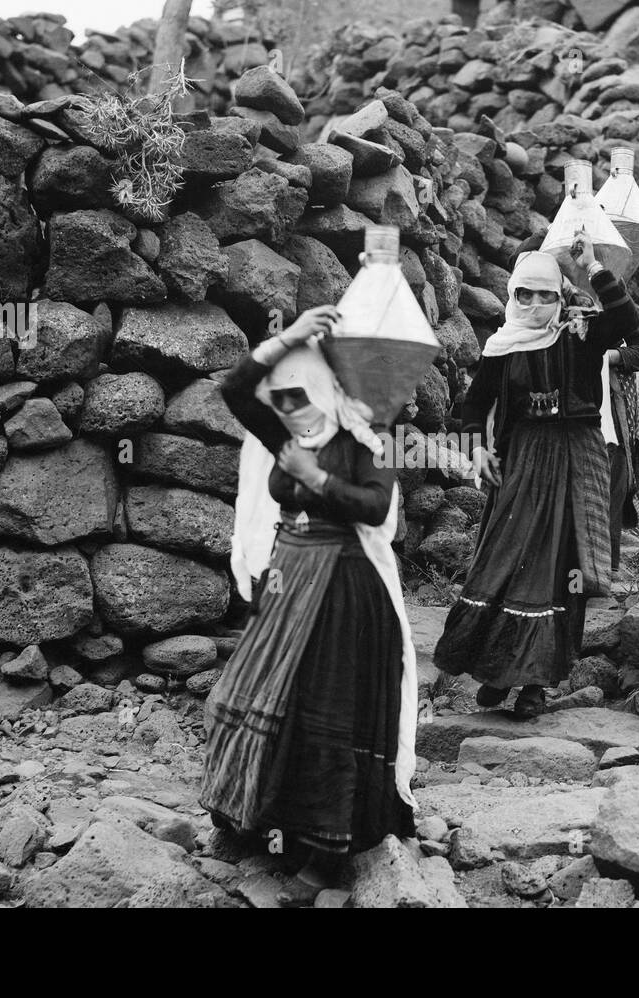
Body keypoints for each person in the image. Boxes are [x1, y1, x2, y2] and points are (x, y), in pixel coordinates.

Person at [199, 305, 418, 906]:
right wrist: (289, 339)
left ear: (327, 389)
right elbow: (234, 388)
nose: (291, 409)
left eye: (301, 397)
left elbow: (374, 508)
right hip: (287, 576)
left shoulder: (363, 439)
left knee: (325, 714)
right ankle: (256, 822)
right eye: (284, 400)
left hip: (346, 590)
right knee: (257, 697)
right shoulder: (289, 431)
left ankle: (325, 855)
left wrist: (316, 480)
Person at [433, 240, 639, 717]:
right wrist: (476, 451)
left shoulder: (581, 334)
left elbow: (631, 327)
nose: (534, 305)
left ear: (560, 297)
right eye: (525, 295)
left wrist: (593, 265)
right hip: (521, 463)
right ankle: (496, 669)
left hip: (577, 461)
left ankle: (535, 684)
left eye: (545, 295)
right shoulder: (501, 345)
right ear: (513, 296)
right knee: (504, 561)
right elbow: (473, 407)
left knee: (562, 570)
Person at [509, 234, 639, 572]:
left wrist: (607, 355)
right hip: (553, 407)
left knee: (610, 477)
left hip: (606, 406)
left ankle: (601, 573)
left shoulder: (607, 294)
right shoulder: (537, 298)